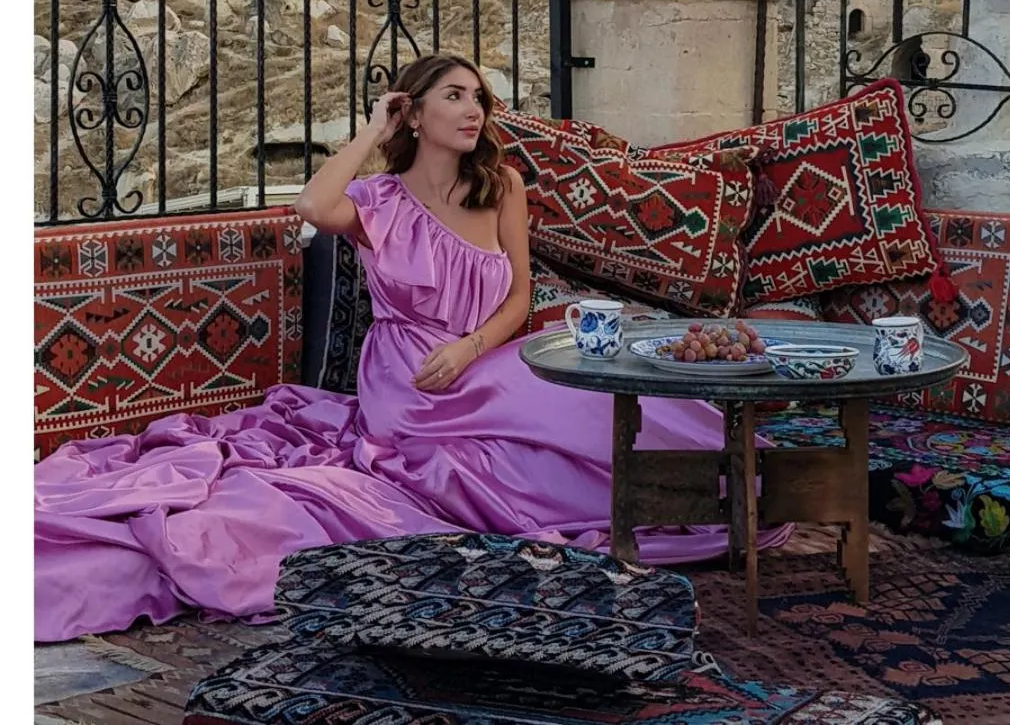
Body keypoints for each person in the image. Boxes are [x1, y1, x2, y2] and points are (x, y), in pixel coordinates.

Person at [34, 53, 788, 643]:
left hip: (481, 356)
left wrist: (471, 347)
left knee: (617, 394)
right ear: (416, 113)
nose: (472, 110)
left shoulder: (504, 186)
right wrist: (370, 129)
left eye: (478, 99)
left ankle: (716, 485)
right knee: (541, 438)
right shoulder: (378, 201)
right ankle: (639, 502)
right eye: (454, 96)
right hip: (408, 377)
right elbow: (311, 205)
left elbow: (521, 295)